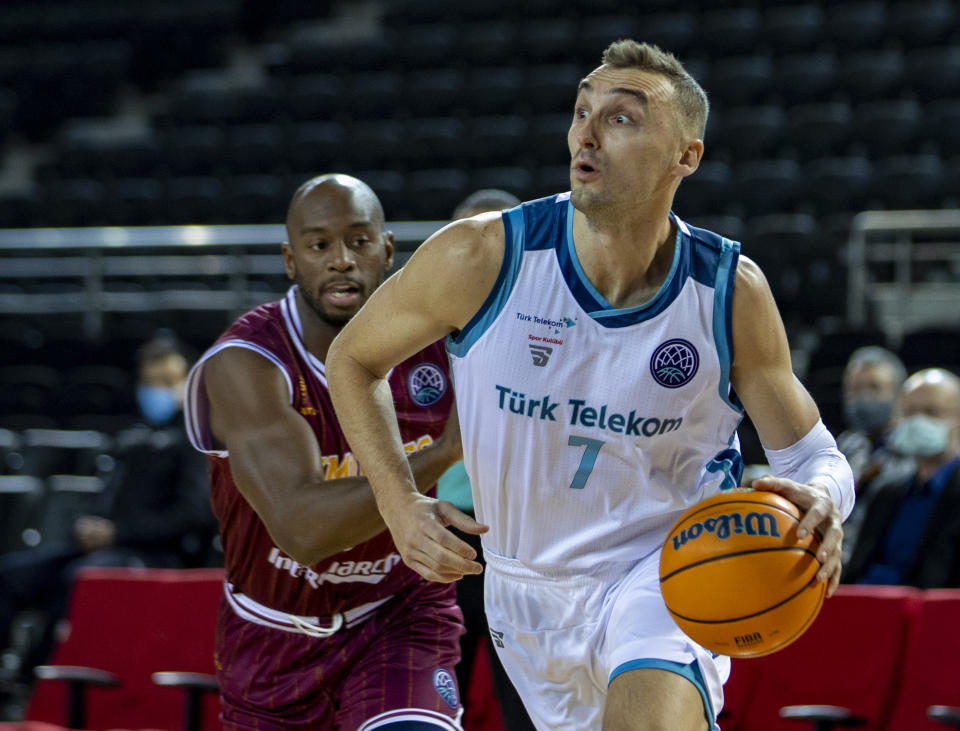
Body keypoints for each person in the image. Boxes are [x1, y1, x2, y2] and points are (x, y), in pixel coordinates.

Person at [327, 40, 854, 731]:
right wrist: (398, 504)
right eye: (582, 111)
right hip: (522, 592)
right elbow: (352, 360)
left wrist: (823, 501)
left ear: (685, 156)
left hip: (664, 577)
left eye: (623, 117)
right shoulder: (482, 255)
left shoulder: (726, 293)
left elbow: (817, 458)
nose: (588, 131)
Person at [182, 174, 465, 730]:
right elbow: (301, 528)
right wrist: (445, 453)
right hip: (274, 632)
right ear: (291, 260)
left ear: (386, 251)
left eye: (359, 241)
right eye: (319, 246)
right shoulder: (247, 363)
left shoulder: (444, 347)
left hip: (400, 615)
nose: (341, 260)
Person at [0, 334, 213, 717]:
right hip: (105, 546)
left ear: (188, 383)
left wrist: (120, 533)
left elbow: (194, 515)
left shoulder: (196, 440)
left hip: (156, 555)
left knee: (80, 577)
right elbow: (101, 497)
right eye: (150, 382)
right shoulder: (131, 437)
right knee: (13, 575)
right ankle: (8, 679)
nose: (156, 391)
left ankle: (38, 681)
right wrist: (86, 524)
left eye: (167, 381)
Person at [438, 188, 535, 731]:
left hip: (520, 542)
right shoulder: (417, 325)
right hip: (444, 539)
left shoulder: (551, 326)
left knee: (526, 705)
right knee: (431, 705)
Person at [843, 368, 960, 587]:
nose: (918, 421)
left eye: (931, 411)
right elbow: (856, 569)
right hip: (871, 608)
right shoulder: (886, 490)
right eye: (909, 412)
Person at [835, 346, 908, 562]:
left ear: (898, 395)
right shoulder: (844, 445)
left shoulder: (915, 449)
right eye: (854, 389)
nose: (862, 397)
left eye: (874, 388)